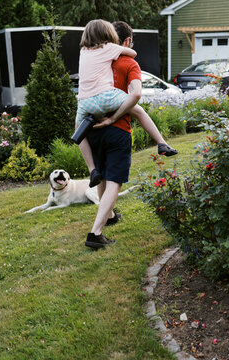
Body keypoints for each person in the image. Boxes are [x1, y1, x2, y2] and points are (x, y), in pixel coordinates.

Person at [75, 19, 177, 190]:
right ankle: (161, 142)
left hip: (84, 102)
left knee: (79, 131)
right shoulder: (110, 49)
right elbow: (133, 54)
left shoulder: (83, 51)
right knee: (138, 109)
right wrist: (114, 117)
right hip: (105, 98)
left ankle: (92, 170)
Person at [84, 20, 151, 249]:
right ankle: (95, 233)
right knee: (115, 180)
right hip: (118, 128)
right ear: (127, 41)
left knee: (101, 174)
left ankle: (109, 214)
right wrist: (114, 117)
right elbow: (135, 94)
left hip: (92, 126)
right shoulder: (128, 62)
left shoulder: (94, 56)